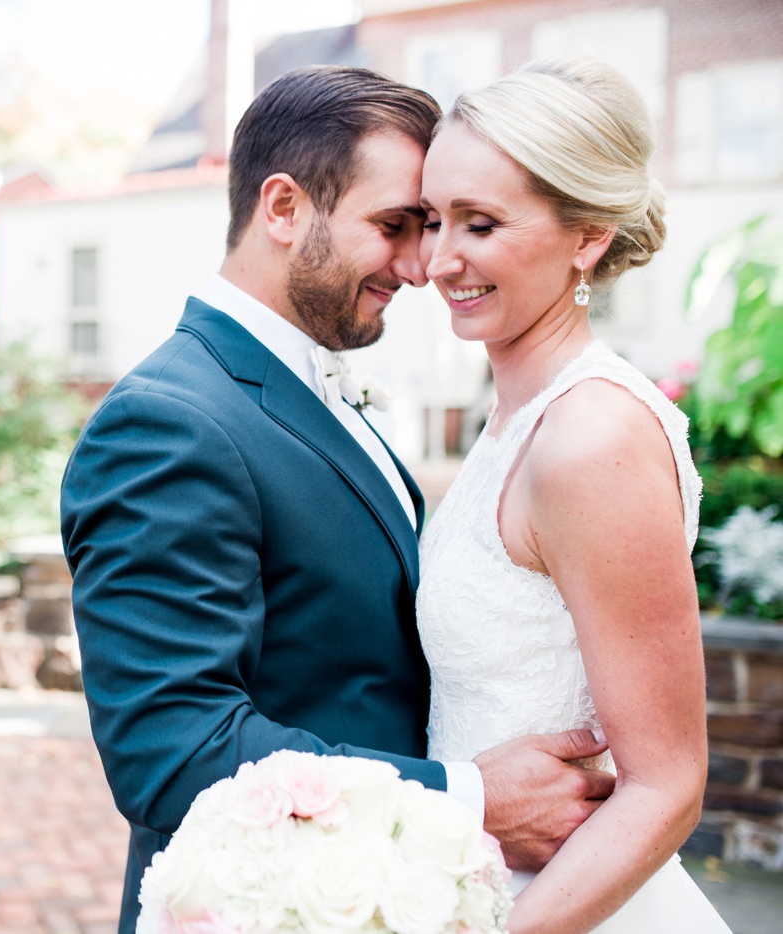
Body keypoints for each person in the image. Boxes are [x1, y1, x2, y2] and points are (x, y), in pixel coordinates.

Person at [60, 65, 615, 934]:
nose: (422, 266)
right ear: (282, 208)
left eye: (428, 228)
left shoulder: (317, 392)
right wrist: (469, 796)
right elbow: (173, 752)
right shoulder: (169, 422)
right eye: (395, 226)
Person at [417, 56, 730, 933]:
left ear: (586, 235)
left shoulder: (590, 438)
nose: (441, 260)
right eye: (433, 219)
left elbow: (666, 784)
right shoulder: (512, 416)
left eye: (479, 224)